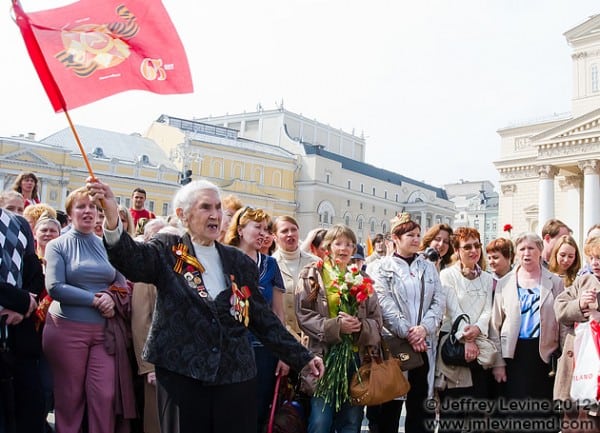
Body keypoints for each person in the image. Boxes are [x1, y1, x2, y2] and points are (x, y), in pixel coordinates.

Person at [86, 177, 324, 433]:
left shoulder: (238, 262)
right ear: (182, 215)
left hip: (234, 377)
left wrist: (303, 357)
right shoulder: (170, 251)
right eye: (205, 207)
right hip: (183, 376)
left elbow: (262, 318)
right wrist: (111, 216)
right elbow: (131, 260)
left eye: (218, 207)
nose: (215, 215)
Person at [43, 187, 134, 433]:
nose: (88, 211)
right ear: (70, 213)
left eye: (92, 206)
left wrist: (109, 297)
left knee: (105, 395)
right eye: (81, 207)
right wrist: (94, 299)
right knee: (70, 397)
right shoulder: (57, 245)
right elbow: (55, 287)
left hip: (104, 333)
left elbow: (122, 281)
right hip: (66, 331)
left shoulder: (107, 245)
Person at [296, 224, 382, 433]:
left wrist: (360, 327)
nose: (344, 249)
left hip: (356, 358)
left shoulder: (363, 279)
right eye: (339, 243)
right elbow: (304, 315)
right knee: (320, 421)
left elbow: (377, 322)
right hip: (323, 357)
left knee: (351, 422)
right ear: (328, 246)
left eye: (350, 244)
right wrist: (336, 326)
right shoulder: (312, 274)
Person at [366, 212, 445, 433]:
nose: (416, 239)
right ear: (396, 238)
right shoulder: (380, 267)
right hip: (395, 346)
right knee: (389, 406)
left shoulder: (427, 266)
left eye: (418, 235)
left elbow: (438, 301)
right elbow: (383, 303)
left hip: (423, 345)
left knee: (420, 407)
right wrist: (408, 333)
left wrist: (423, 329)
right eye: (410, 235)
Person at [490, 233, 564, 433]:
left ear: (540, 251)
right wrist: (498, 363)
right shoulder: (505, 283)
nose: (526, 253)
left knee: (542, 416)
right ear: (516, 254)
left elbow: (563, 321)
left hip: (545, 356)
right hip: (514, 355)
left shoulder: (555, 282)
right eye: (522, 249)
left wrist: (565, 358)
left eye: (531, 248)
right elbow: (494, 325)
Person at [224, 206, 289, 432]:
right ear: (240, 230)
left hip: (264, 349)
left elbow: (278, 313)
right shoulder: (224, 259)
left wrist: (284, 352)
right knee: (231, 412)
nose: (263, 232)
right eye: (257, 227)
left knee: (260, 411)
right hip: (231, 347)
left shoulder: (270, 264)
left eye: (266, 228)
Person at [436, 227, 496, 432]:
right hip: (454, 347)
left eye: (477, 246)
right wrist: (466, 338)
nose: (473, 251)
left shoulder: (488, 278)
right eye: (467, 247)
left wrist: (477, 330)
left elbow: (488, 309)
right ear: (457, 249)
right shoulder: (447, 275)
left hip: (479, 347)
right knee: (452, 412)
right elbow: (454, 309)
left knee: (477, 413)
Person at [0, 207, 44, 433]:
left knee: (27, 413)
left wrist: (25, 306)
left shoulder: (16, 222)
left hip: (18, 336)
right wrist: (19, 300)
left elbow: (35, 273)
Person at [553, 236, 600, 433]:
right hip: (577, 372)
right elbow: (559, 308)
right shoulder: (583, 281)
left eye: (599, 257)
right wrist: (580, 305)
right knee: (574, 425)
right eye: (592, 257)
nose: (595, 262)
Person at [272, 216, 319, 337]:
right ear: (274, 237)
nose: (290, 234)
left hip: (312, 335)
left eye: (293, 229)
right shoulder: (270, 264)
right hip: (282, 335)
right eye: (284, 231)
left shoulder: (315, 263)